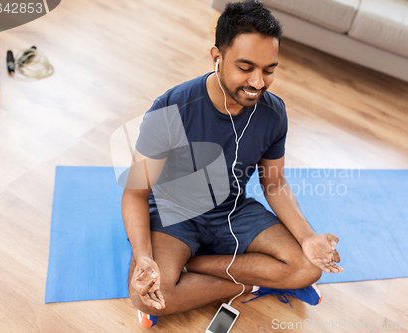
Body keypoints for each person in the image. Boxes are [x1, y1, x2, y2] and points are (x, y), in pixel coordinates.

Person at [121, 0, 343, 328]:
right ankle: (249, 279)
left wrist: (308, 237)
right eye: (245, 67)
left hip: (233, 210)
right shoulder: (171, 107)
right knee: (148, 295)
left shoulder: (273, 112)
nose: (258, 83)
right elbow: (135, 193)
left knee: (308, 267)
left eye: (269, 70)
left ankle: (195, 268)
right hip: (174, 217)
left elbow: (274, 182)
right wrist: (144, 257)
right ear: (217, 57)